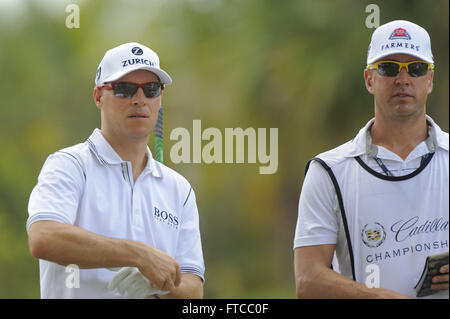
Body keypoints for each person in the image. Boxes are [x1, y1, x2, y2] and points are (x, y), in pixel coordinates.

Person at [27, 42, 205, 298]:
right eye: (124, 89)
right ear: (99, 96)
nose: (139, 99)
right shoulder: (69, 165)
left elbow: (193, 288)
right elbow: (44, 237)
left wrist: (160, 286)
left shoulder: (179, 189)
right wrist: (137, 255)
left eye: (151, 89)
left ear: (160, 98)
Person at [293, 20, 448, 298]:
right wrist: (376, 296)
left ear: (430, 80)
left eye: (416, 68)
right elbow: (307, 280)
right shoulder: (328, 171)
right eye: (388, 68)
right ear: (369, 79)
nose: (403, 80)